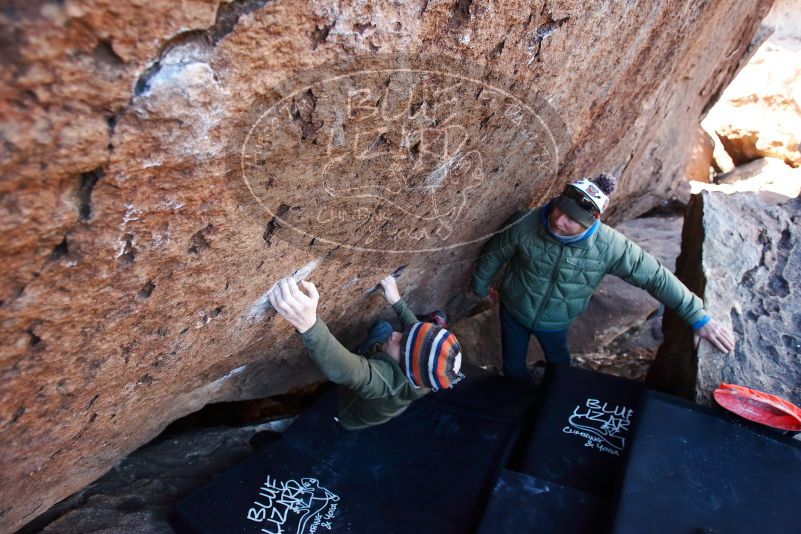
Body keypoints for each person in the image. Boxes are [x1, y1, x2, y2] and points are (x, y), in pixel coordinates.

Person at [471, 173, 736, 383]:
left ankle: (555, 392)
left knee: (559, 360)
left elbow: (655, 277)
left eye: (572, 219)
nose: (559, 220)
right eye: (559, 209)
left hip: (557, 321)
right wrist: (480, 287)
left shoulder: (609, 246)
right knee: (513, 364)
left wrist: (697, 317)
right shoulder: (527, 223)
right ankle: (516, 398)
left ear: (591, 222)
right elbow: (494, 254)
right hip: (513, 311)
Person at [269, 274, 464, 430]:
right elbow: (414, 332)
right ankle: (365, 354)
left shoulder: (383, 382)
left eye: (401, 343)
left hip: (349, 412)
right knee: (384, 328)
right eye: (405, 334)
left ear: (405, 366)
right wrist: (396, 300)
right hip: (382, 374)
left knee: (368, 348)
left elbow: (344, 370)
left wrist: (309, 324)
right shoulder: (424, 373)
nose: (396, 334)